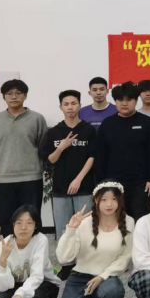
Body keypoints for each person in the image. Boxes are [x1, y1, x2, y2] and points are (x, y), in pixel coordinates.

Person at [56, 181, 135, 298]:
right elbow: (63, 258)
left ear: (120, 200)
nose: (109, 204)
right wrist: (71, 230)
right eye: (104, 199)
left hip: (105, 278)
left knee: (113, 290)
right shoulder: (84, 222)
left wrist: (102, 276)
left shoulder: (128, 222)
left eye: (114, 199)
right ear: (96, 200)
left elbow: (125, 257)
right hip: (79, 278)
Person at [0, 79, 48, 236]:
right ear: (4, 97)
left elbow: (42, 147)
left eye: (18, 93)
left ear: (25, 96)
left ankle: (33, 250)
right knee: (6, 220)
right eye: (9, 94)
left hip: (31, 177)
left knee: (32, 218)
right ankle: (8, 250)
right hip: (4, 178)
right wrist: (4, 165)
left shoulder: (37, 119)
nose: (14, 97)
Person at [96, 81, 150, 221]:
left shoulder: (147, 123)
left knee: (140, 219)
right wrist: (102, 182)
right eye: (120, 100)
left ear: (136, 101)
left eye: (129, 99)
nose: (124, 103)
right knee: (117, 220)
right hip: (113, 183)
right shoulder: (107, 124)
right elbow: (101, 156)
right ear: (115, 101)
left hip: (141, 184)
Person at [0, 205, 61, 298]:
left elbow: (37, 276)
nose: (23, 227)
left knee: (37, 297)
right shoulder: (2, 246)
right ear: (13, 225)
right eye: (19, 223)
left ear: (35, 225)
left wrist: (19, 295)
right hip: (14, 284)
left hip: (43, 283)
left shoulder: (40, 240)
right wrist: (2, 262)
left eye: (29, 223)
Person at [40, 90, 96, 242]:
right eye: (66, 104)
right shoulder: (53, 132)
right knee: (63, 229)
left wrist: (78, 179)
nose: (70, 107)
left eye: (73, 103)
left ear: (80, 105)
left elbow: (92, 157)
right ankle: (65, 256)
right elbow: (50, 160)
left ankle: (85, 256)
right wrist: (61, 147)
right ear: (61, 107)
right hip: (60, 187)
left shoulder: (88, 130)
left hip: (84, 187)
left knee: (86, 228)